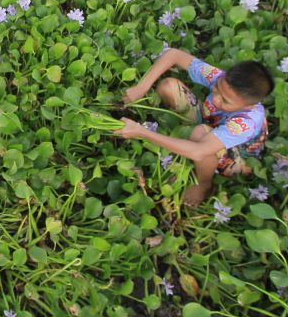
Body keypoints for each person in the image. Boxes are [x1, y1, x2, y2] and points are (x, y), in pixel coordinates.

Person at [113, 48, 273, 206]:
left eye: (225, 101)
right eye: (216, 88)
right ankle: (183, 145)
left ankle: (204, 184)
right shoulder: (223, 80)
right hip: (209, 123)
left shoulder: (247, 122)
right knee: (168, 86)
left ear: (248, 105)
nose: (216, 99)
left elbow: (198, 151)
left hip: (235, 158)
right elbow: (174, 55)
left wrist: (142, 132)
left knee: (199, 135)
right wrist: (142, 86)